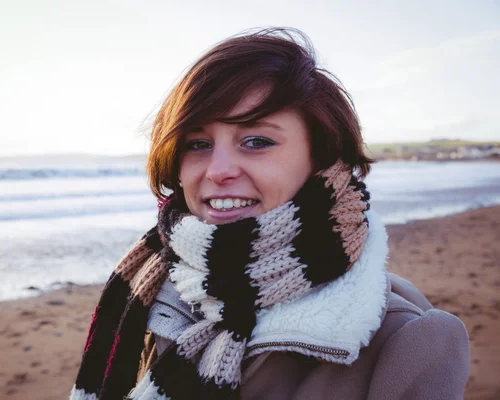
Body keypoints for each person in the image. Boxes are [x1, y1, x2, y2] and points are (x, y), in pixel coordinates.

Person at [70, 28, 469, 400]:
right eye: (197, 143)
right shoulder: (153, 293)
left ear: (324, 159)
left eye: (256, 141)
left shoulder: (404, 342)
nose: (217, 170)